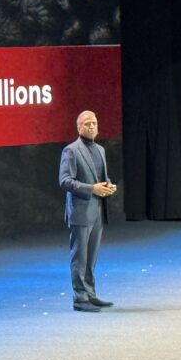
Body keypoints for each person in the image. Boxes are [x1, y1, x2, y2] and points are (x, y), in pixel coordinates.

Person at [59, 110, 116, 312]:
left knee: (91, 258)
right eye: (87, 123)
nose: (91, 126)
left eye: (94, 123)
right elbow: (65, 181)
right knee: (80, 258)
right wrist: (92, 189)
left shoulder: (100, 150)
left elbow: (100, 178)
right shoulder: (71, 151)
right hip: (80, 213)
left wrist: (108, 186)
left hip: (97, 211)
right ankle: (80, 298)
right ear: (79, 128)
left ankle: (90, 294)